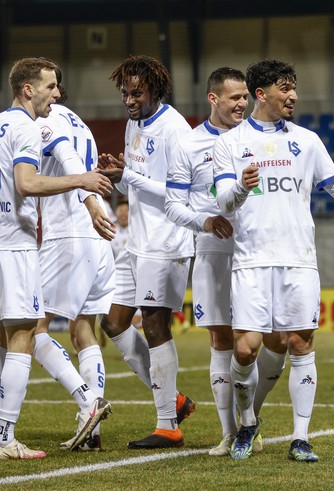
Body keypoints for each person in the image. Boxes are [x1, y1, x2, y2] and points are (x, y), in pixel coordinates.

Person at [212, 59, 334, 462]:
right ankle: (247, 422)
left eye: (295, 88)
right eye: (285, 88)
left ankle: (301, 437)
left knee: (301, 343)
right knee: (246, 350)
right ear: (262, 93)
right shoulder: (228, 144)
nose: (294, 96)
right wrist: (243, 189)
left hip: (299, 259)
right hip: (251, 261)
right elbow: (223, 201)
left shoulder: (308, 140)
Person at [0, 57, 111, 460]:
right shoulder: (27, 128)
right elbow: (27, 183)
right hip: (15, 248)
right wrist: (81, 180)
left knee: (3, 339)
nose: (57, 94)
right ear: (28, 89)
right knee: (26, 335)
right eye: (50, 86)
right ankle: (6, 439)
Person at [164, 67, 288, 456]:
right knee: (221, 339)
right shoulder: (188, 144)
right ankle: (228, 432)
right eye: (233, 98)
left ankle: (251, 414)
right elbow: (172, 203)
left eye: (244, 97)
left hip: (258, 249)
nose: (242, 104)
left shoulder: (260, 138)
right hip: (214, 250)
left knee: (278, 339)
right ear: (213, 99)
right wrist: (204, 220)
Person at [97, 55, 197, 449]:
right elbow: (137, 186)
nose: (128, 99)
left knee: (155, 326)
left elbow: (180, 190)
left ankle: (167, 425)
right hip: (137, 240)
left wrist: (130, 175)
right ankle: (172, 398)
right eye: (124, 92)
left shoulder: (175, 129)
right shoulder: (133, 124)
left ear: (155, 88)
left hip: (166, 241)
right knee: (114, 322)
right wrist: (119, 175)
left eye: (136, 92)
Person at [33, 64, 116, 452]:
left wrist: (89, 202)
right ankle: (91, 428)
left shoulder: (49, 120)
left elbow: (67, 159)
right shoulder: (81, 122)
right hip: (98, 237)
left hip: (71, 232)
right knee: (83, 329)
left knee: (31, 328)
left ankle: (88, 401)